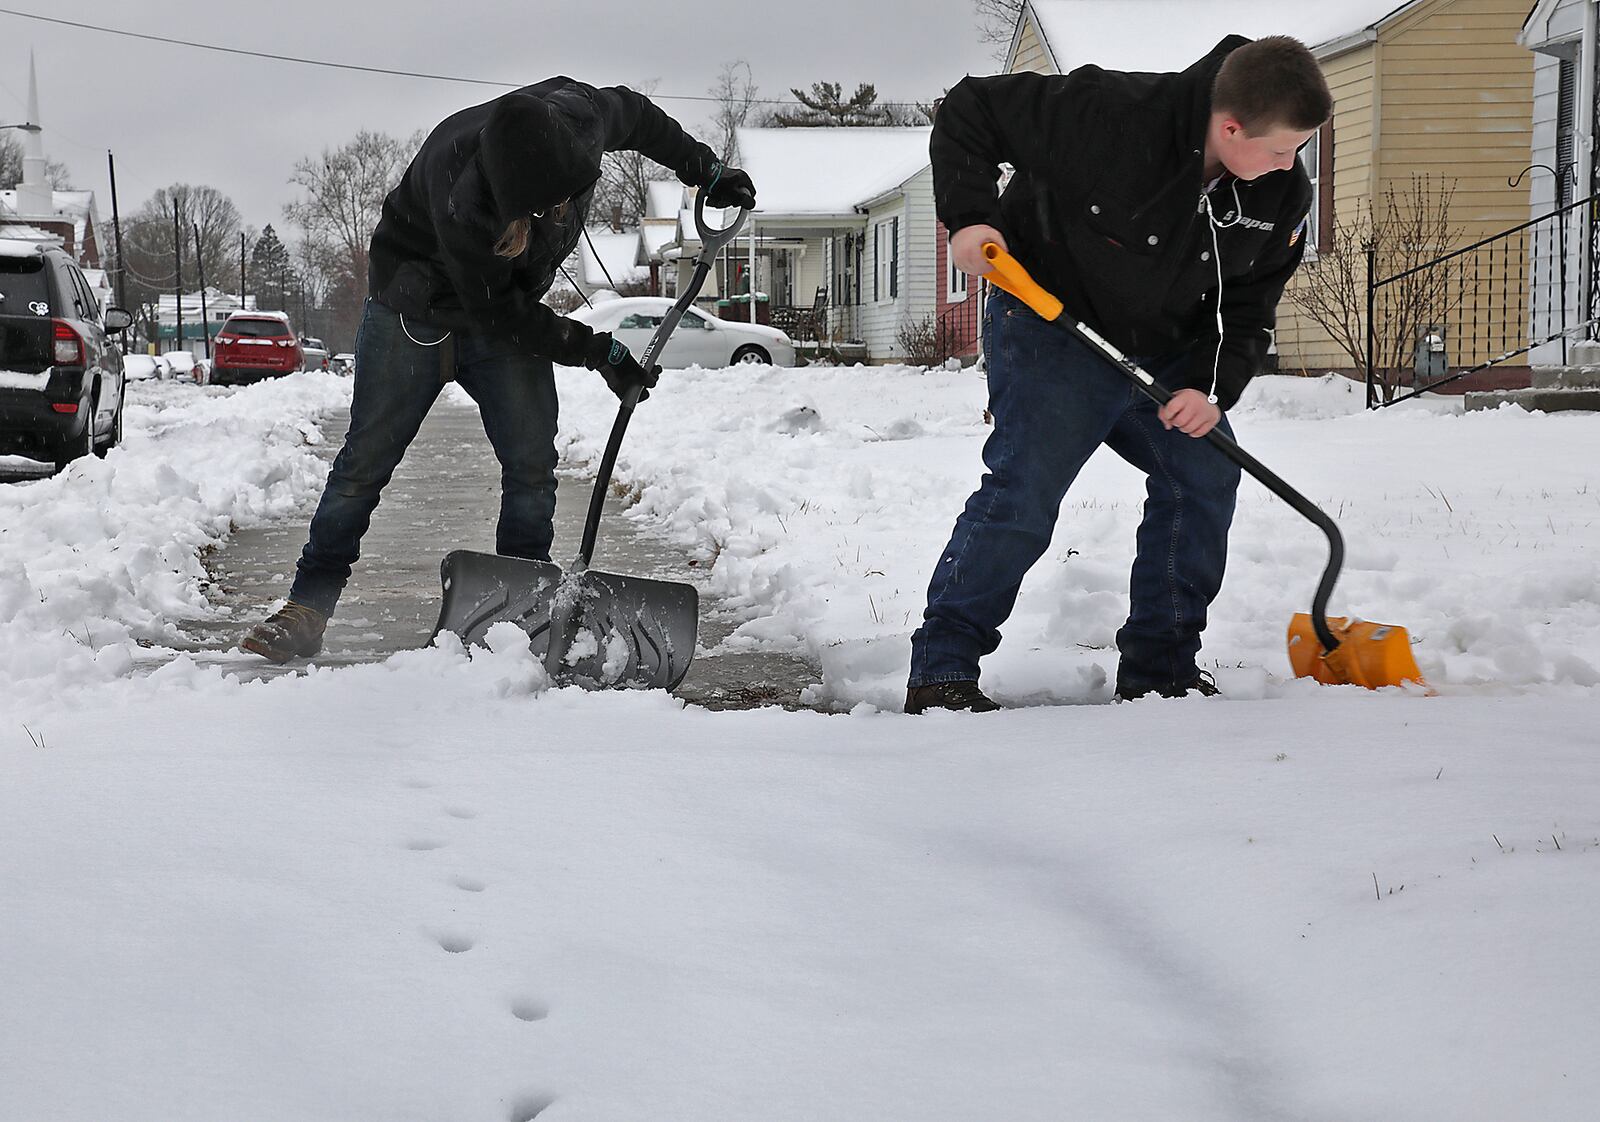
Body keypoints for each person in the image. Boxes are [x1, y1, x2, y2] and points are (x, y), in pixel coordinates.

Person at [241, 77, 755, 663]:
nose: (558, 216)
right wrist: (599, 352)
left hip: (501, 307)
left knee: (532, 464)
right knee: (365, 462)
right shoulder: (460, 189)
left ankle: (523, 615)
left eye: (561, 203)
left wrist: (704, 169)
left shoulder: (582, 119)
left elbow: (638, 116)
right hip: (414, 309)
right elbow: (501, 313)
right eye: (540, 212)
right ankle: (307, 607)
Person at [906, 36, 1331, 713]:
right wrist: (970, 217)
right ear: (1229, 127)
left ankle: (1161, 668)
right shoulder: (1111, 113)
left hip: (1163, 351)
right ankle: (942, 669)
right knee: (1026, 490)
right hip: (1051, 321)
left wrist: (1209, 388)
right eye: (1281, 148)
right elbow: (970, 107)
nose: (1290, 164)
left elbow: (1249, 307)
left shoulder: (1280, 193)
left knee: (1204, 477)